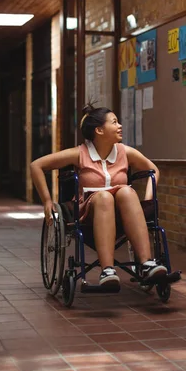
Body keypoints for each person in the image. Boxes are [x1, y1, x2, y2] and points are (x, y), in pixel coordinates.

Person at [30, 104, 167, 291]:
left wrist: (148, 198)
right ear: (99, 130)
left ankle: (146, 264)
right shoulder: (79, 153)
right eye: (114, 122)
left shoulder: (125, 152)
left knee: (127, 191)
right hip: (91, 209)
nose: (120, 126)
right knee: (104, 197)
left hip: (123, 209)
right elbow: (36, 165)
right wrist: (46, 200)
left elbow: (153, 170)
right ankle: (107, 270)